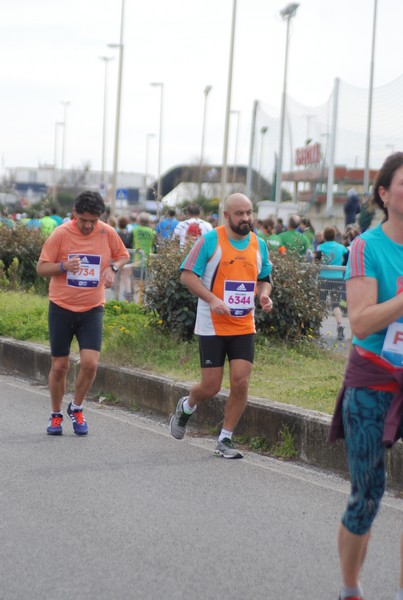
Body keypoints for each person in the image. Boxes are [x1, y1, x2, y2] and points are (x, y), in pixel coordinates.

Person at [328, 152, 403, 600]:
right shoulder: (367, 247)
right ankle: (350, 588)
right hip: (373, 383)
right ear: (384, 194)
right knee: (368, 494)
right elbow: (360, 322)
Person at [168, 193, 273, 458]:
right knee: (211, 386)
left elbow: (265, 278)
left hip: (243, 324)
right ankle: (187, 405)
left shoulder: (259, 244)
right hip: (212, 324)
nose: (246, 218)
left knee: (241, 382)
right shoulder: (210, 240)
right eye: (239, 214)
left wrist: (263, 295)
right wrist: (212, 299)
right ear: (226, 216)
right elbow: (187, 275)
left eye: (249, 212)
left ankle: (225, 439)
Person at [36, 191, 130, 436]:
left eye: (93, 220)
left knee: (90, 363)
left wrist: (112, 268)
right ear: (74, 214)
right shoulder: (61, 234)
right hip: (61, 307)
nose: (88, 226)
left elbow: (123, 256)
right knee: (60, 366)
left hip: (92, 309)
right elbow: (41, 267)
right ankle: (56, 414)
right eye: (83, 220)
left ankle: (76, 407)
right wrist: (63, 266)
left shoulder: (107, 232)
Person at [315, 225, 348, 340]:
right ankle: (340, 325)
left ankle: (316, 327)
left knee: (321, 302)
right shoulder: (341, 247)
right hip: (338, 278)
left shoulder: (320, 247)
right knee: (336, 304)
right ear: (335, 236)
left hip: (323, 277)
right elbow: (346, 255)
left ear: (324, 236)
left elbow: (317, 261)